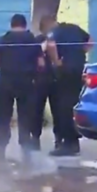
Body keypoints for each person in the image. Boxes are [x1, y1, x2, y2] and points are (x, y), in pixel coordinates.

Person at [0, 14, 43, 157]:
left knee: (3, 115)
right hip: (26, 82)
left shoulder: (2, 40)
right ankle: (25, 149)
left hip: (5, 81)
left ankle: (1, 148)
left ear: (12, 24)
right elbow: (41, 64)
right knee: (25, 116)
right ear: (25, 25)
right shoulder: (32, 40)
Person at [45, 19, 93, 157]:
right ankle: (74, 141)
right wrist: (79, 53)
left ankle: (68, 143)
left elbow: (51, 45)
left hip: (65, 70)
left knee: (63, 106)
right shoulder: (75, 28)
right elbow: (90, 42)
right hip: (79, 69)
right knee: (74, 103)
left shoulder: (54, 31)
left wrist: (56, 62)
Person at [32, 15, 62, 150]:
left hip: (54, 79)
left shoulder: (58, 40)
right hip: (41, 79)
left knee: (57, 111)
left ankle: (59, 138)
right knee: (37, 110)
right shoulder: (38, 41)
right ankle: (35, 138)